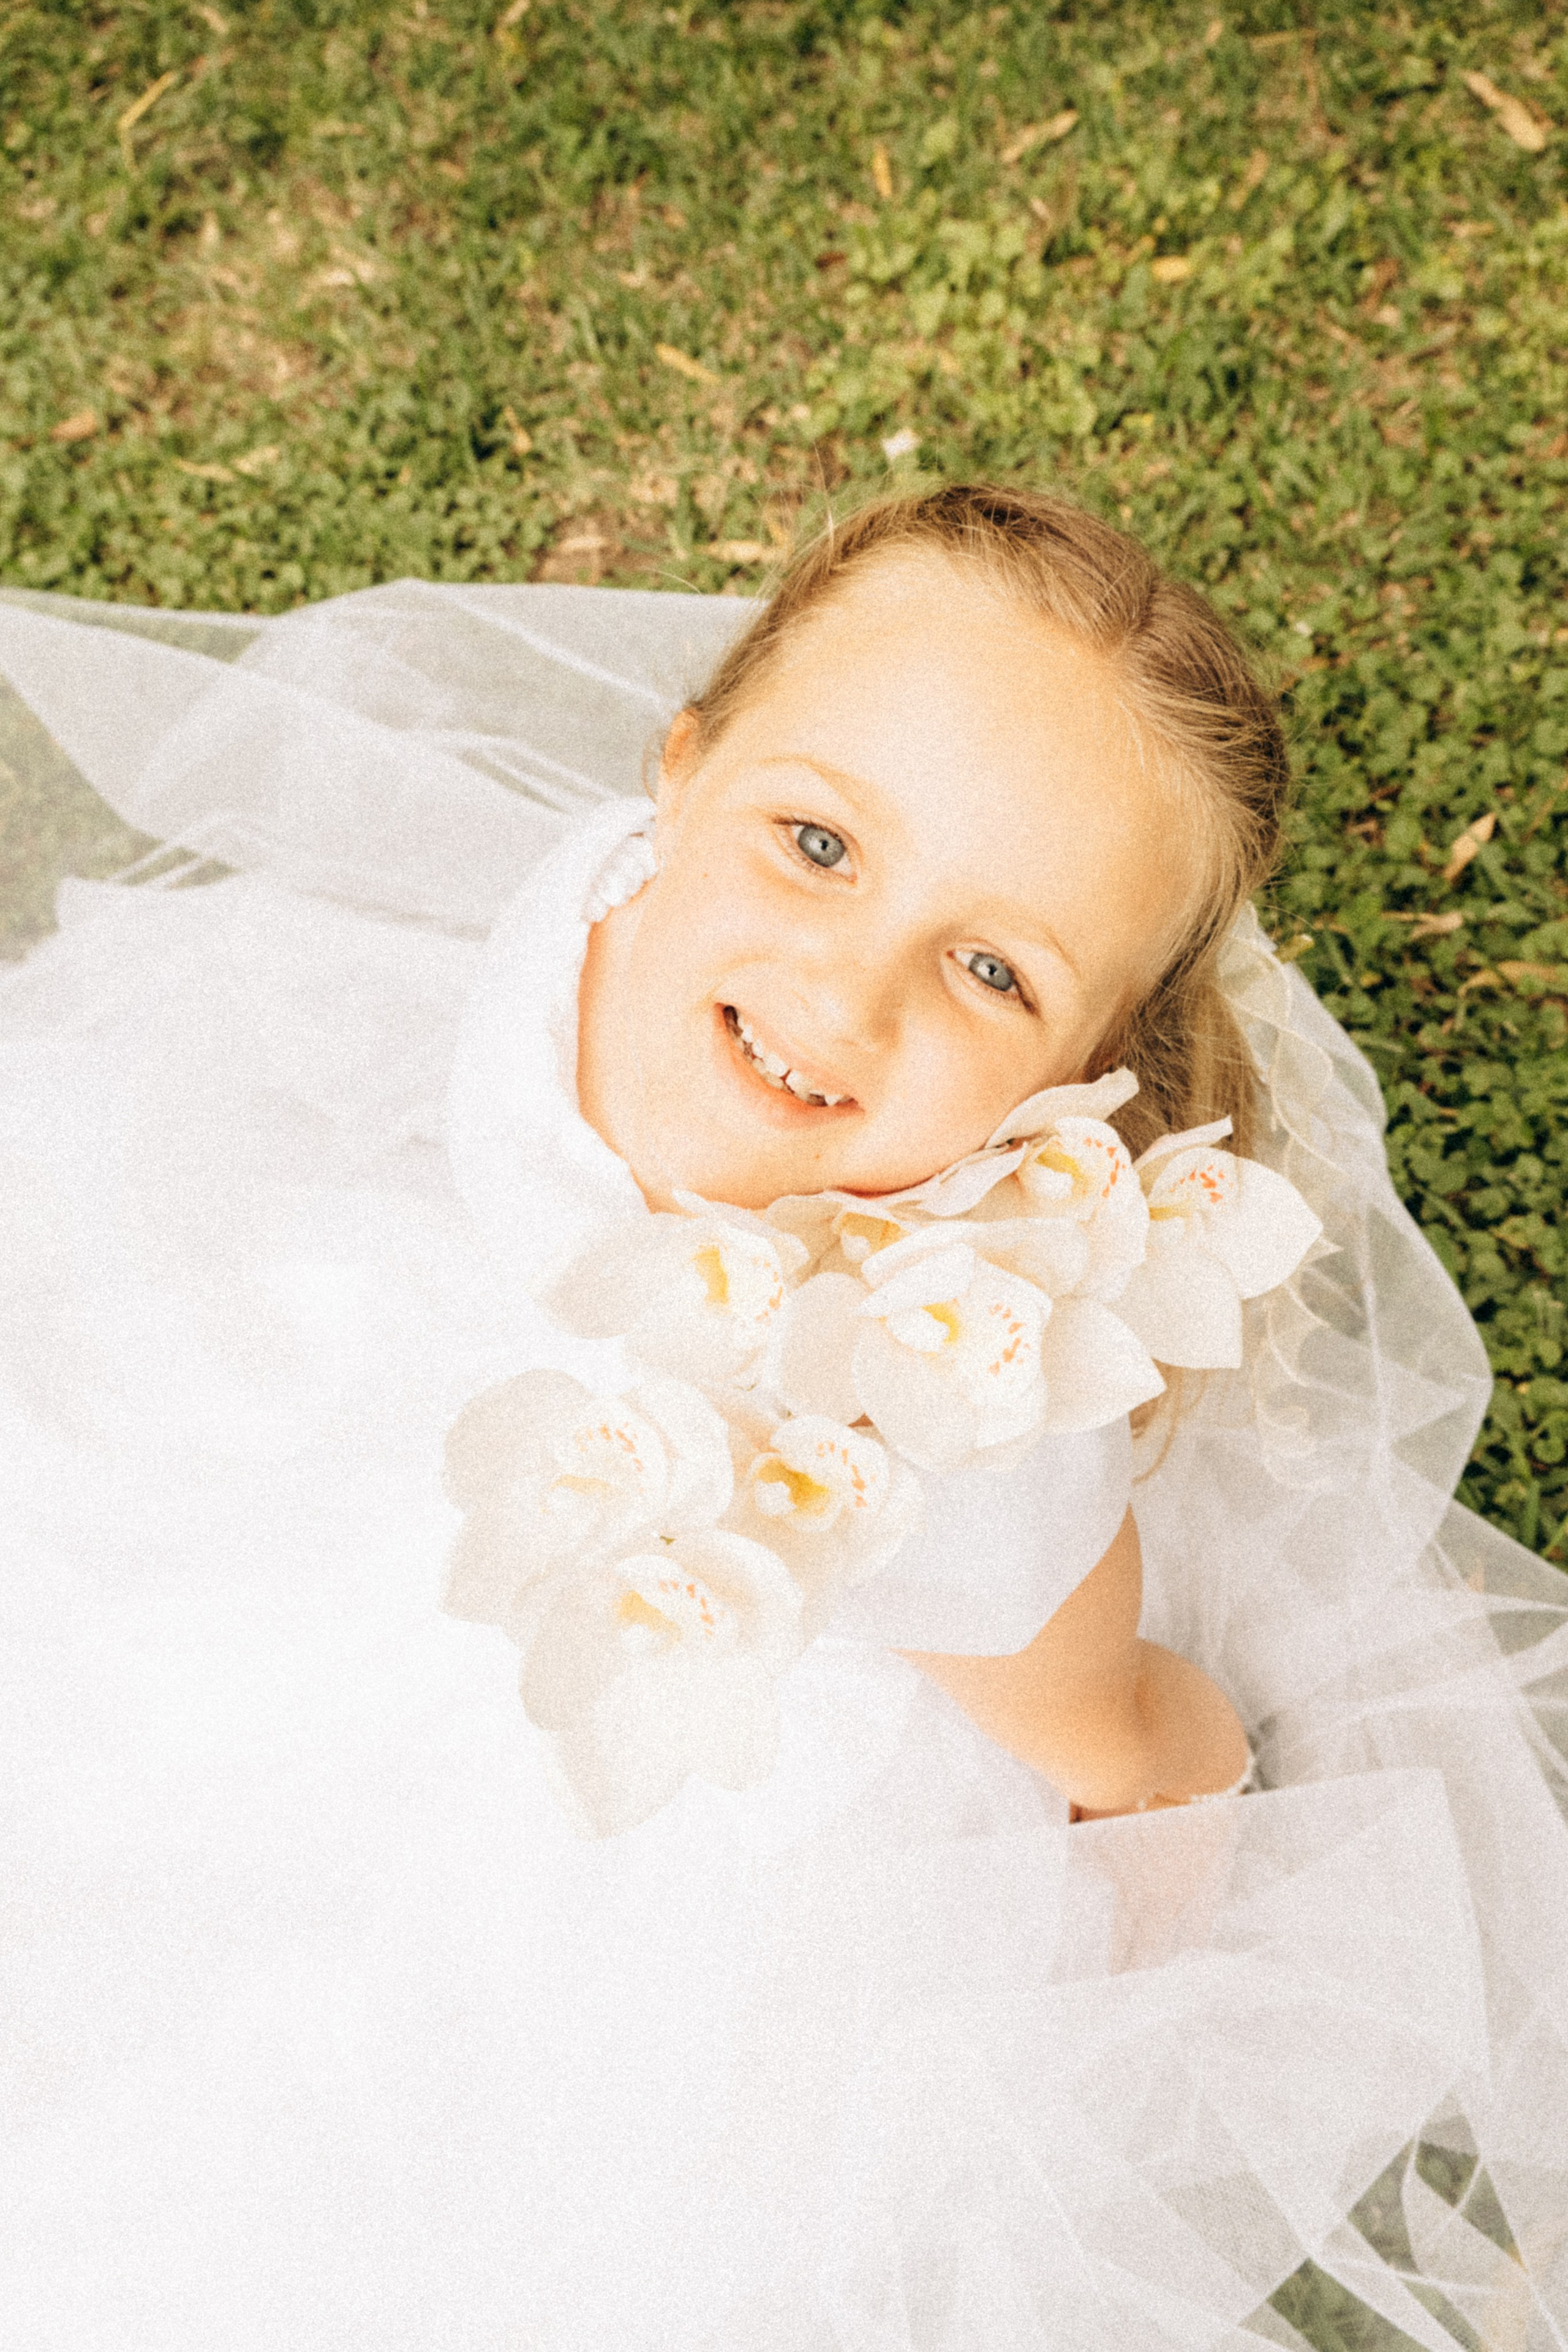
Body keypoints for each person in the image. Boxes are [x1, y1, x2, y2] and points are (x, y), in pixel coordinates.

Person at [1, 485, 1564, 2350]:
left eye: (992, 971)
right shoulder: (594, 927)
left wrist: (1122, 2004)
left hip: (650, 1841)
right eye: (818, 844)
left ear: (1079, 1085)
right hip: (307, 1445)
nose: (845, 986)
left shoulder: (953, 1423)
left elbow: (1142, 1749)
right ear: (678, 779)